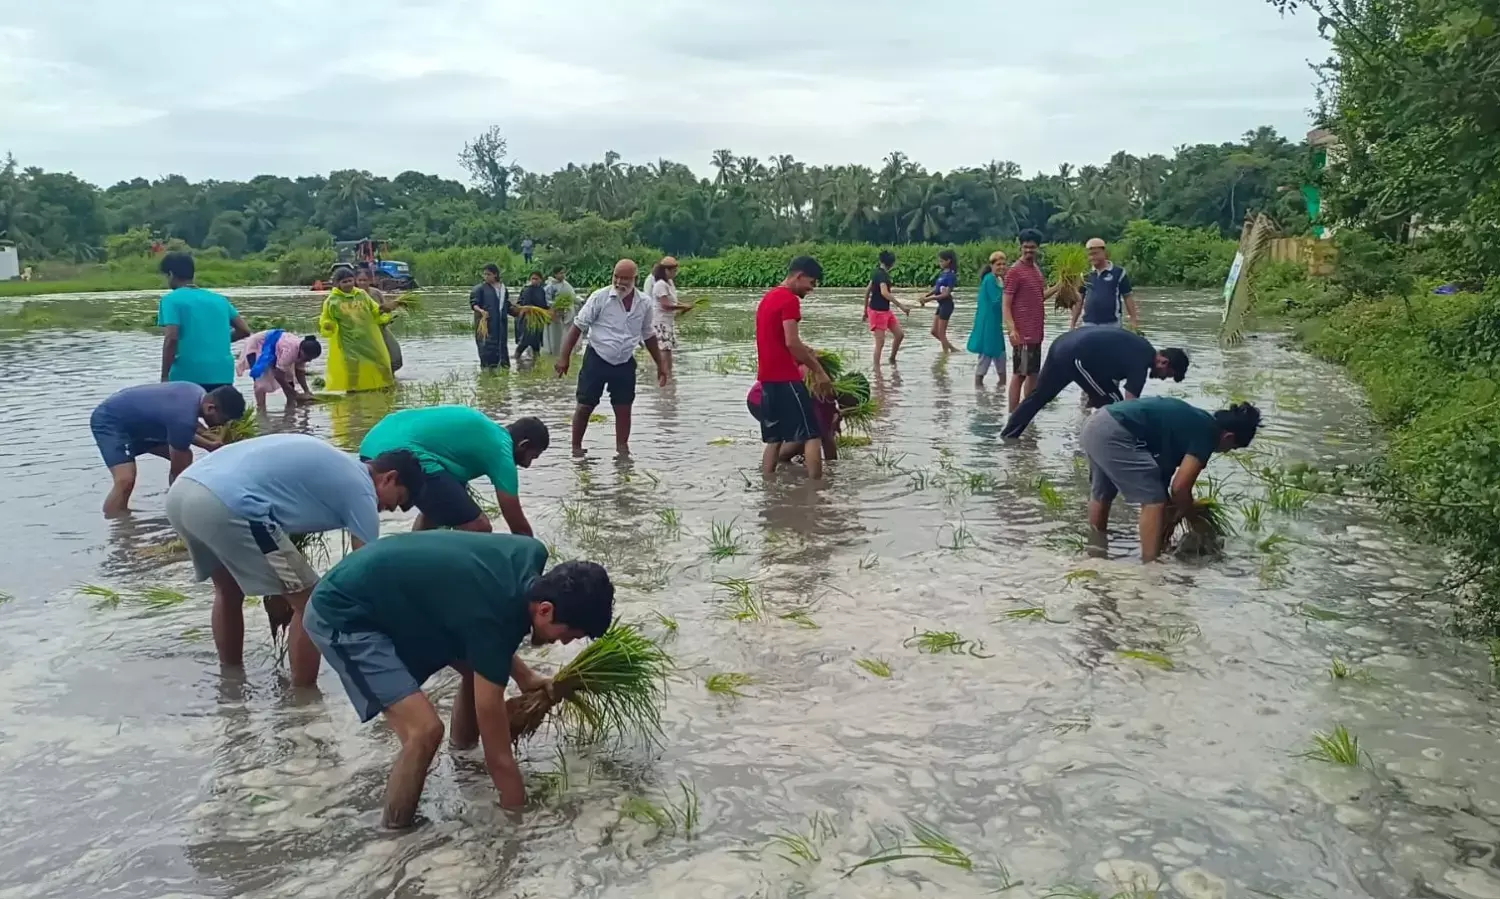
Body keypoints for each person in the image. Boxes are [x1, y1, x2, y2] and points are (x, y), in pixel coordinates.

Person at [302, 532, 613, 828]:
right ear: (545, 610)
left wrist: (525, 676)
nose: (564, 643)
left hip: (396, 599)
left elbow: (486, 627)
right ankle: (395, 837)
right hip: (344, 613)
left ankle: (462, 756)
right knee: (423, 731)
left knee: (478, 670)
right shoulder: (493, 617)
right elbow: (501, 758)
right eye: (569, 635)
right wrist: (518, 823)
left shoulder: (529, 553)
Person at [164, 434, 425, 686]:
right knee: (314, 606)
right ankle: (302, 700)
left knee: (228, 591)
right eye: (397, 500)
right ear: (389, 478)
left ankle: (231, 680)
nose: (389, 509)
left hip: (183, 493)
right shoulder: (362, 489)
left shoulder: (337, 463)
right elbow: (367, 568)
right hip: (228, 505)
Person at [1082, 397, 1261, 562]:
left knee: (1102, 492)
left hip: (1096, 423)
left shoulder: (1195, 421)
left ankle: (1096, 550)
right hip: (1116, 432)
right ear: (1228, 437)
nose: (1226, 452)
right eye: (1232, 448)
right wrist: (1191, 513)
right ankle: (1150, 566)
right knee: (1153, 501)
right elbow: (1180, 489)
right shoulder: (1208, 433)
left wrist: (1172, 519)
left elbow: (1166, 484)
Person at [359, 406, 549, 536]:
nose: (528, 466)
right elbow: (518, 526)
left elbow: (440, 501)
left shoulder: (482, 436)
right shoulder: (501, 450)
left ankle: (415, 564)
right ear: (523, 445)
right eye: (532, 457)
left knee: (434, 513)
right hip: (400, 451)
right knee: (479, 527)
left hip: (372, 445)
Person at [554, 259, 669, 458]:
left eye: (625, 278)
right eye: (616, 276)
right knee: (585, 405)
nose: (619, 282)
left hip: (624, 361)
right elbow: (578, 327)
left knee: (624, 407)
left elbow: (648, 334)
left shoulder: (644, 303)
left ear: (635, 279)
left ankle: (622, 449)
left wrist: (661, 364)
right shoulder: (600, 297)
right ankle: (576, 448)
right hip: (597, 357)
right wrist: (564, 357)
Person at [90, 382, 246, 516]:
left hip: (142, 424)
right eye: (224, 420)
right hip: (111, 422)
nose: (223, 425)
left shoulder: (197, 392)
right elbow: (178, 472)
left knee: (186, 455)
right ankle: (117, 527)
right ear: (211, 408)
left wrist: (209, 445)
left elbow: (187, 428)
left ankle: (127, 519)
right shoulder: (183, 417)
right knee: (125, 480)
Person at [1001, 329, 1190, 438]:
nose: (1164, 378)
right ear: (1164, 362)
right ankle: (1106, 443)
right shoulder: (1142, 361)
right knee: (1115, 404)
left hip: (1063, 344)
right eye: (1168, 375)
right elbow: (1129, 406)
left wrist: (1095, 394)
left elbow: (1106, 370)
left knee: (1040, 396)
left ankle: (1008, 436)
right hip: (1076, 354)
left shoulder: (1140, 348)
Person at [755, 256, 833, 479]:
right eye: (812, 282)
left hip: (767, 379)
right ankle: (816, 490)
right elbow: (791, 342)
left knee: (774, 439)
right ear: (799, 276)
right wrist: (819, 370)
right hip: (785, 377)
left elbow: (777, 339)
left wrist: (806, 350)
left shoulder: (769, 298)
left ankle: (768, 485)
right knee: (812, 434)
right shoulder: (789, 300)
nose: (811, 289)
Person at [157, 252, 251, 390]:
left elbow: (172, 338)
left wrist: (165, 376)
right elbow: (244, 330)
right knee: (219, 411)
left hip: (187, 375)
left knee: (188, 411)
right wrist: (214, 340)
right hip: (222, 373)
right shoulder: (220, 300)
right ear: (192, 274)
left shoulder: (170, 300)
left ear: (170, 274)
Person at [748, 366, 867, 463]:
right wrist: (833, 469)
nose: (855, 407)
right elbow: (826, 438)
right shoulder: (824, 393)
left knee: (805, 433)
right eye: (856, 403)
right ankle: (778, 459)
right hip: (761, 398)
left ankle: (784, 464)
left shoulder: (827, 389)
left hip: (765, 395)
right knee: (806, 435)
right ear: (850, 395)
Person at [1003, 229, 1061, 412]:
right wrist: (1012, 329)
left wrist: (1059, 286)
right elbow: (1005, 304)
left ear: (1038, 248)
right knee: (1019, 374)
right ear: (1020, 247)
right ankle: (1013, 415)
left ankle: (1026, 412)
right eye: (1026, 247)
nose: (1029, 251)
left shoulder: (1036, 270)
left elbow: (1039, 297)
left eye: (1032, 247)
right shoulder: (1014, 272)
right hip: (1022, 333)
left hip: (1037, 332)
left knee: (1033, 375)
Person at [319, 264, 396, 392]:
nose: (348, 284)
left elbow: (374, 310)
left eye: (350, 280)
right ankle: (352, 390)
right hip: (349, 340)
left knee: (380, 361)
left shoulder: (361, 295)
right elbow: (327, 319)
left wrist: (384, 310)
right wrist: (328, 325)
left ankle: (387, 384)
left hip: (368, 337)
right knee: (352, 366)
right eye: (344, 282)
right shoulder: (332, 301)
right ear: (338, 284)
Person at [238, 331, 321, 412]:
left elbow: (300, 371)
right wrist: (295, 394)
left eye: (311, 359)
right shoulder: (289, 351)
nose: (309, 360)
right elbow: (278, 375)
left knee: (289, 377)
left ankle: (290, 410)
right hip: (258, 344)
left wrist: (307, 391)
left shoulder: (302, 350)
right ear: (302, 351)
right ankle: (261, 411)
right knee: (260, 381)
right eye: (307, 358)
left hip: (275, 344)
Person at [1071, 238, 1140, 330]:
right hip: (1088, 323)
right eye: (1090, 255)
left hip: (1112, 324)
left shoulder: (1118, 273)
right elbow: (1079, 300)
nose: (1092, 257)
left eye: (1095, 254)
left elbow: (1128, 297)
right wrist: (1073, 324)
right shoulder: (1085, 275)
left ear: (1104, 253)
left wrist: (1133, 320)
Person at [866, 249, 912, 368]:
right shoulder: (882, 275)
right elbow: (884, 293)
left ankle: (892, 359)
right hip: (877, 312)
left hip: (885, 311)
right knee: (880, 343)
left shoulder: (876, 272)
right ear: (891, 264)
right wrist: (901, 306)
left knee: (899, 334)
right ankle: (877, 372)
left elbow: (867, 290)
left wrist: (864, 310)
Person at [968, 251, 1008, 385]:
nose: (1002, 267)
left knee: (1001, 355)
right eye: (998, 264)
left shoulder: (999, 280)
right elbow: (997, 301)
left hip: (996, 325)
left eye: (1004, 264)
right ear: (992, 266)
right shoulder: (990, 279)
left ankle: (1000, 393)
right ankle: (979, 391)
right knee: (986, 356)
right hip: (988, 324)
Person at [357, 266, 404, 373]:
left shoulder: (375, 293)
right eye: (360, 280)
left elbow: (385, 308)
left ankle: (391, 378)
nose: (362, 283)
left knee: (394, 354)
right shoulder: (353, 295)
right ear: (356, 281)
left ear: (370, 280)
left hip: (381, 328)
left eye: (365, 280)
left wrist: (390, 309)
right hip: (365, 332)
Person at [470, 263, 517, 370]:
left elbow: (506, 304)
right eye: (485, 274)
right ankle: (487, 374)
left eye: (489, 274)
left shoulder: (503, 289)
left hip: (500, 324)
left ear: (495, 274)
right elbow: (474, 304)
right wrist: (481, 311)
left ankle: (503, 371)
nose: (486, 277)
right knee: (486, 348)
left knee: (501, 347)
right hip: (486, 324)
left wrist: (518, 310)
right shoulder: (479, 289)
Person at [918, 249, 961, 353]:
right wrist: (926, 295)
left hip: (947, 305)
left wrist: (929, 299)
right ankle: (951, 350)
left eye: (942, 261)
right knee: (934, 331)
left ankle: (945, 355)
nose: (940, 263)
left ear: (948, 261)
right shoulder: (943, 274)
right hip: (941, 305)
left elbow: (946, 294)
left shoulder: (951, 275)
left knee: (941, 334)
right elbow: (937, 288)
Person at [514, 271, 550, 363]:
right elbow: (524, 305)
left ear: (541, 280)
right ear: (530, 280)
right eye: (532, 279)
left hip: (538, 320)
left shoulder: (541, 290)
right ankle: (516, 359)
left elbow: (543, 305)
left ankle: (536, 364)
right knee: (524, 341)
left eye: (536, 279)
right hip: (527, 319)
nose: (534, 281)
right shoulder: (527, 290)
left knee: (536, 343)